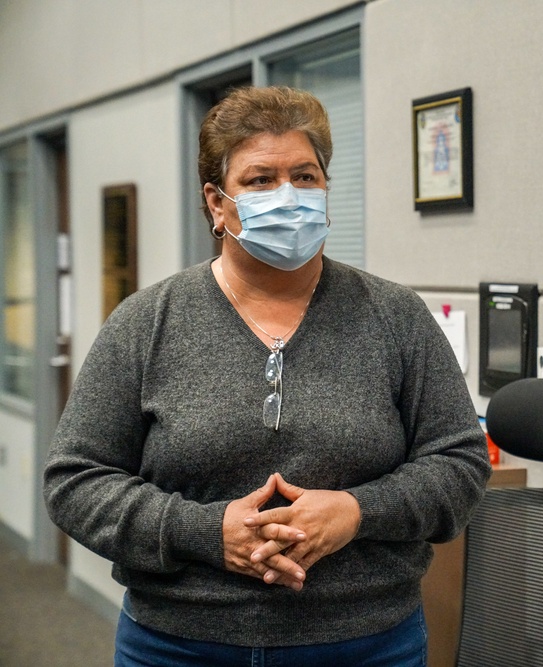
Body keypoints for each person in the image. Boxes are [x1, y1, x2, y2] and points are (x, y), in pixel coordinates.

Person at [44, 86, 491, 665]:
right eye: (260, 180)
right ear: (216, 202)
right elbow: (75, 481)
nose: (289, 196)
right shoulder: (147, 323)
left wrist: (356, 513)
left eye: (305, 176)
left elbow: (459, 463)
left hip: (365, 643)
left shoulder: (394, 316)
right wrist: (206, 532)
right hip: (179, 644)